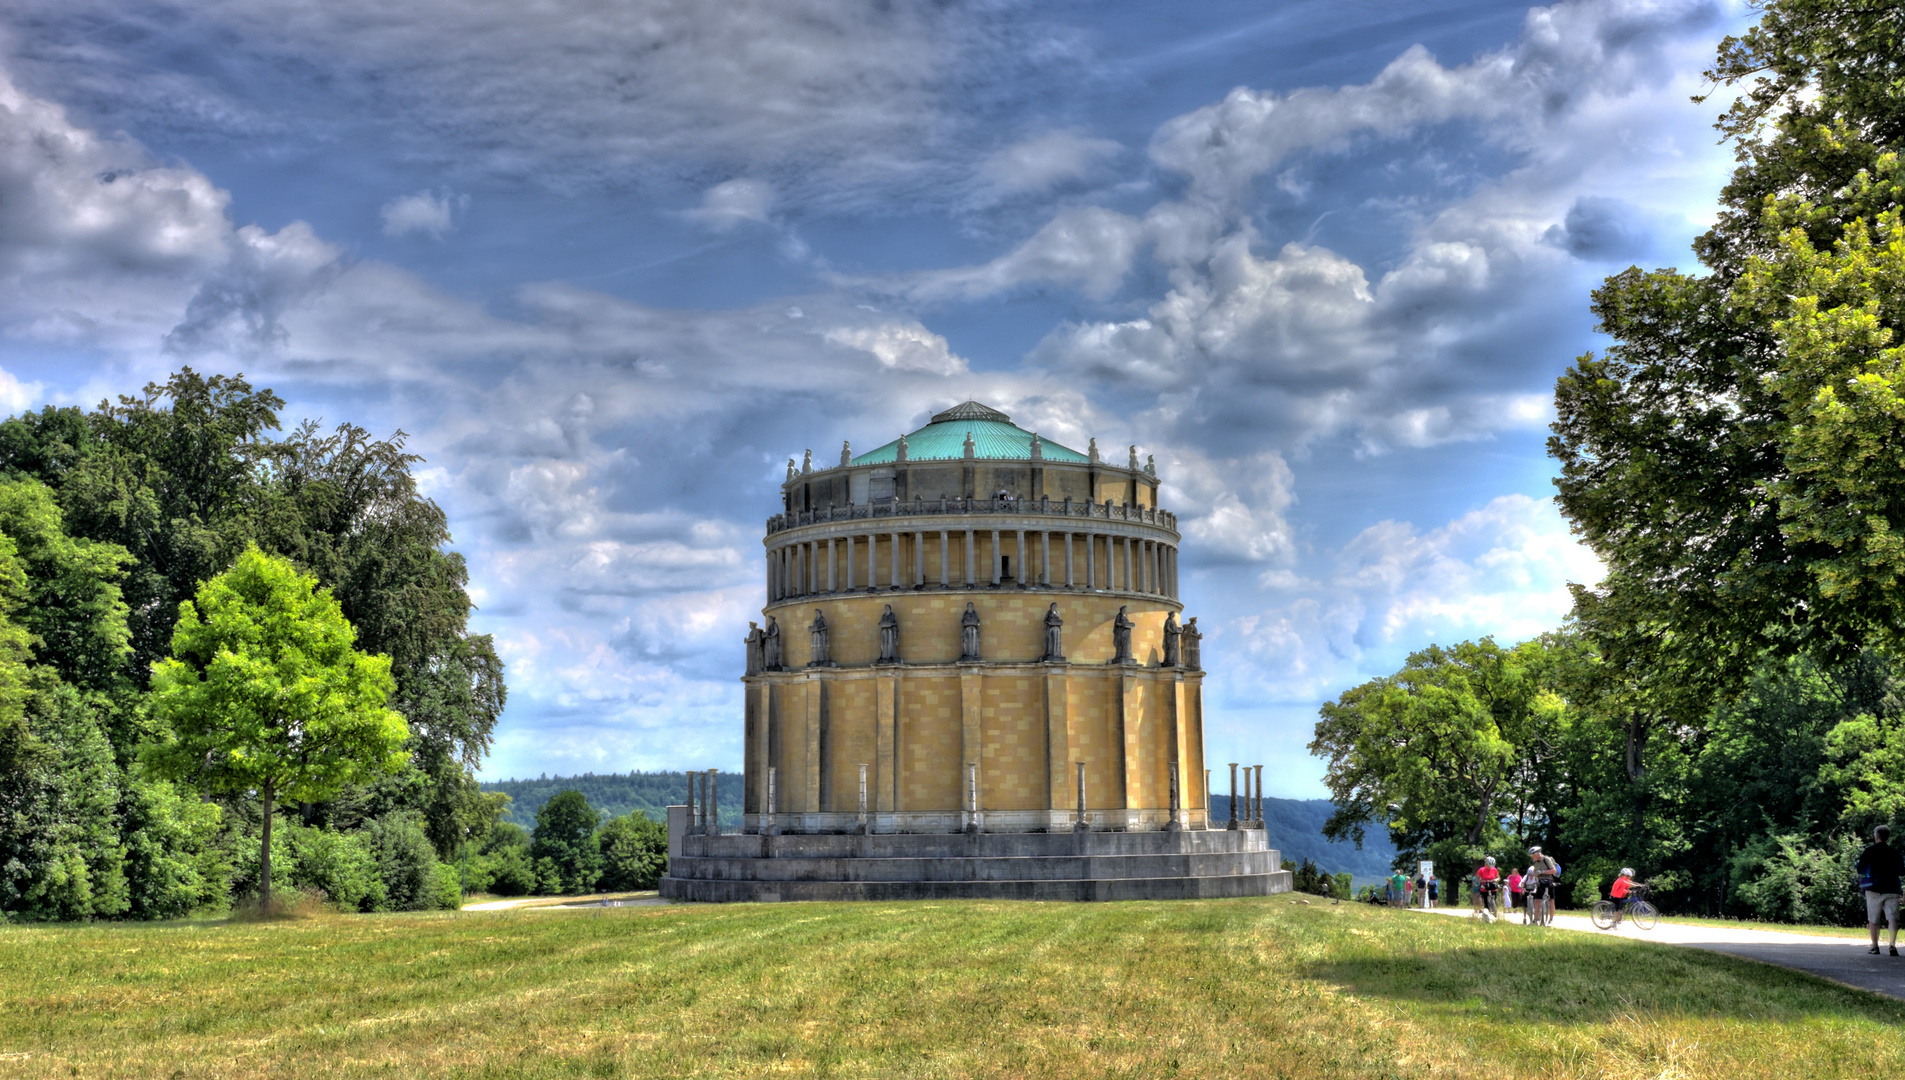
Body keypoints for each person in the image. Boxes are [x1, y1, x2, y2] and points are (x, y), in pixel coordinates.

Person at [1857, 825, 1905, 956]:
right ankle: (1892, 945)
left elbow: (1860, 869)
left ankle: (1874, 946)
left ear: (1876, 836)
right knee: (1893, 918)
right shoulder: (1895, 852)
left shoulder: (1869, 851)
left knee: (1873, 918)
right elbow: (1902, 871)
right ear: (1888, 837)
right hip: (1893, 888)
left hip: (1874, 888)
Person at [1527, 846, 1559, 926]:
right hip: (1540, 882)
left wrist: (1542, 872)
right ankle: (1535, 920)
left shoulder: (1546, 859)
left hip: (1549, 881)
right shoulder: (1535, 862)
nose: (1532, 857)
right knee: (1537, 900)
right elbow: (1535, 871)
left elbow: (1554, 870)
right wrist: (1534, 874)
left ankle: (1551, 920)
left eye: (1532, 855)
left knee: (1551, 900)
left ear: (1537, 854)